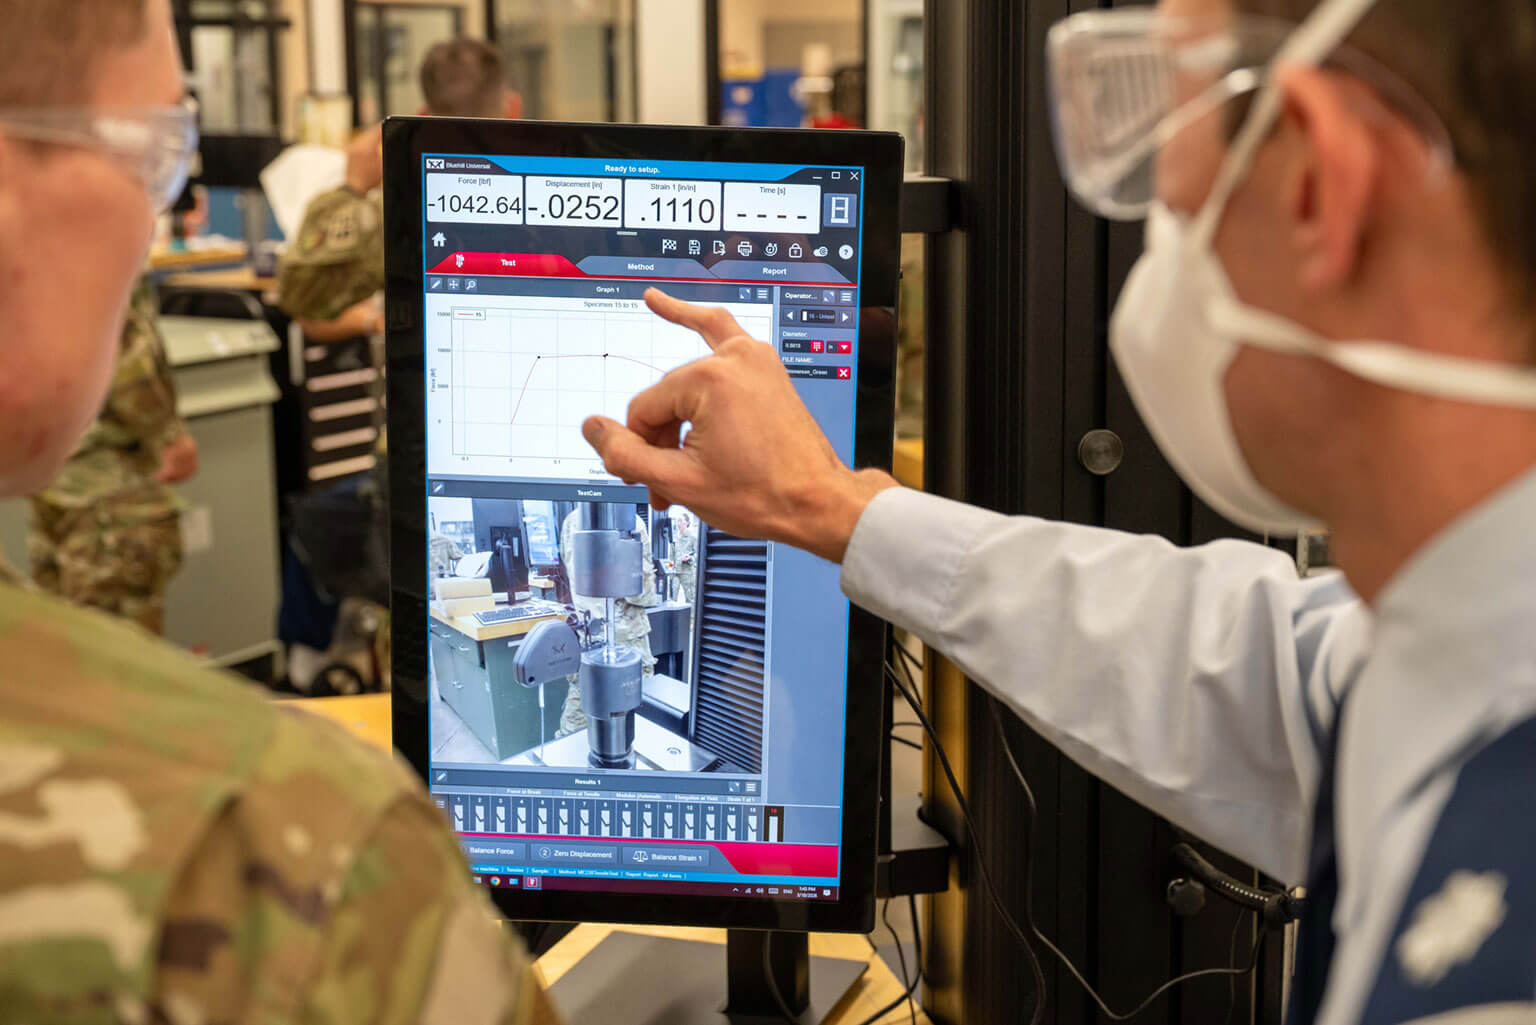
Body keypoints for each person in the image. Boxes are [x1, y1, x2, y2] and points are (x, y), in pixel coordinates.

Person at [581, 0, 1536, 1021]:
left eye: (1170, 149)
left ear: (1320, 184)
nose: (1154, 231)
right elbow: (1239, 666)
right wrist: (835, 509)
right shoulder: (1455, 652)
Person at [0, 3, 557, 1020]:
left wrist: (355, 188)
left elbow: (301, 286)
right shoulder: (315, 863)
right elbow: (306, 290)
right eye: (160, 155)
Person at [278, 38, 521, 331]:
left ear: (422, 117)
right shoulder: (558, 196)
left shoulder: (400, 211)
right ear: (513, 110)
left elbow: (303, 300)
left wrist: (352, 189)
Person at [27, 276, 198, 635]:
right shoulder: (93, 239)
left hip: (50, 480)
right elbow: (130, 368)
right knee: (123, 670)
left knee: (66, 655)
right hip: (109, 493)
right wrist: (170, 436)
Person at [557, 507, 658, 738]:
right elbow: (642, 593)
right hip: (628, 644)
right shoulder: (631, 521)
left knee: (575, 729)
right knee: (636, 725)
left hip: (590, 640)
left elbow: (570, 575)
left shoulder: (572, 521)